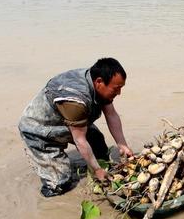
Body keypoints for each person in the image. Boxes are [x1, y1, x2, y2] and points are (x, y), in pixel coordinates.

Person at [18, 58, 134, 197]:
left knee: (99, 148)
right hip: (39, 131)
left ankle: (90, 162)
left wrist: (122, 145)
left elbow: (112, 115)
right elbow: (80, 140)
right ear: (99, 82)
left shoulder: (100, 84)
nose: (119, 93)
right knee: (60, 184)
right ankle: (52, 174)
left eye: (121, 88)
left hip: (67, 122)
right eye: (116, 89)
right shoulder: (76, 101)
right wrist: (97, 170)